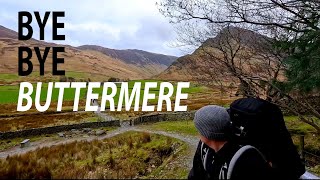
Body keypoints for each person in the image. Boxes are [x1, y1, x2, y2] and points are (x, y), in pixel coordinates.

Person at [188, 105, 271, 180]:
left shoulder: (246, 158)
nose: (198, 132)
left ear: (207, 134)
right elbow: (196, 173)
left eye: (199, 129)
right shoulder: (204, 147)